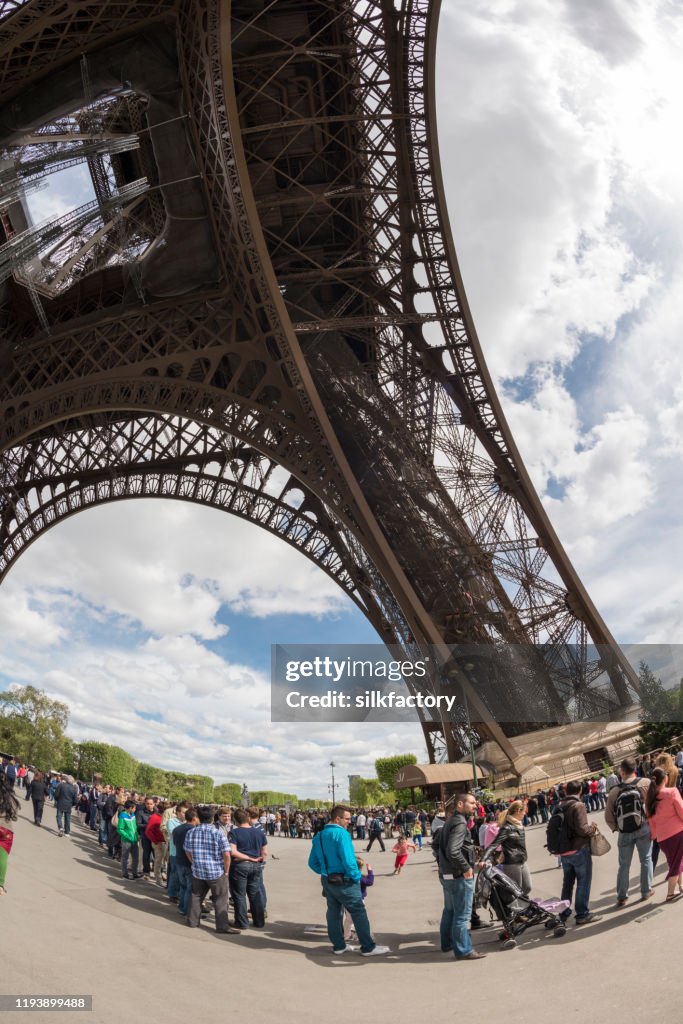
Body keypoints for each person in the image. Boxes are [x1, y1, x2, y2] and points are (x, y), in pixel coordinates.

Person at [308, 804, 389, 956]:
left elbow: (312, 863)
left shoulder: (319, 836)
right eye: (346, 818)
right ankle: (368, 947)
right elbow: (349, 860)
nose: (349, 821)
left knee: (333, 913)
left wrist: (326, 871)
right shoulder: (342, 834)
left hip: (327, 879)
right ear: (337, 819)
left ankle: (339, 945)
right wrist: (357, 877)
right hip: (345, 880)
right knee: (358, 912)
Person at [434, 792, 485, 960]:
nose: (475, 805)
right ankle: (464, 950)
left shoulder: (450, 821)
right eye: (471, 803)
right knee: (462, 915)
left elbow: (438, 846)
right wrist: (466, 868)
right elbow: (453, 850)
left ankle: (447, 943)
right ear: (460, 805)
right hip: (458, 876)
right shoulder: (460, 823)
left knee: (449, 910)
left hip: (447, 874)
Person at [604, 757, 653, 906]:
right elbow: (654, 805)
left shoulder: (615, 791)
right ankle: (646, 891)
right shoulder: (646, 783)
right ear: (635, 769)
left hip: (624, 831)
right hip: (643, 826)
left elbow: (608, 816)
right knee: (646, 859)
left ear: (622, 771)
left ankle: (622, 896)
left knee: (624, 865)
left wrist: (617, 827)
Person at [183, 806, 240, 934]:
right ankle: (222, 926)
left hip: (198, 871)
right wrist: (226, 871)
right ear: (213, 818)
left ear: (199, 817)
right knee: (220, 899)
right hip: (216, 871)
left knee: (196, 897)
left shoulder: (191, 832)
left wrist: (194, 862)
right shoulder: (218, 833)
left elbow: (187, 850)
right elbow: (226, 854)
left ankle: (192, 921)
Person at [557, 780, 601, 926]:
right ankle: (582, 914)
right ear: (580, 790)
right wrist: (592, 828)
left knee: (567, 882)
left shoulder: (559, 806)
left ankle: (564, 912)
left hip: (563, 851)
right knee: (583, 881)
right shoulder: (578, 805)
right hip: (578, 849)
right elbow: (582, 829)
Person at [644, 767, 683, 902]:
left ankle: (681, 885)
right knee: (676, 863)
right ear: (665, 779)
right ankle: (670, 893)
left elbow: (651, 822)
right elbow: (681, 811)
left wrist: (655, 836)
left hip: (662, 838)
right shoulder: (672, 792)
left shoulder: (650, 799)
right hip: (677, 833)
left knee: (675, 861)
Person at [481, 800, 531, 894]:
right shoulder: (507, 828)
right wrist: (483, 859)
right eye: (523, 811)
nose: (525, 814)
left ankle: (523, 906)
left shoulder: (519, 825)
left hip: (522, 861)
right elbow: (494, 844)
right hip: (512, 863)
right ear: (517, 811)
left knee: (527, 887)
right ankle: (518, 908)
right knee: (516, 892)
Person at [229, 808, 267, 929]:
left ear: (235, 820)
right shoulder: (259, 832)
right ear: (248, 818)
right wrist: (258, 860)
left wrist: (248, 857)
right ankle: (259, 921)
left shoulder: (234, 833)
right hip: (256, 865)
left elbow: (233, 852)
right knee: (255, 894)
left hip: (240, 865)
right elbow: (264, 851)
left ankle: (242, 922)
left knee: (239, 895)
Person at [173, 807, 199, 916]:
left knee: (183, 886)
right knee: (190, 888)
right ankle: (186, 909)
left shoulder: (177, 829)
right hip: (189, 862)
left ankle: (182, 907)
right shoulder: (193, 831)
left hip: (179, 860)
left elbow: (174, 843)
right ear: (194, 818)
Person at [0, 771, 19, 894]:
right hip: (5, 829)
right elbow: (14, 815)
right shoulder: (9, 796)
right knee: (2, 858)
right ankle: (0, 885)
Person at [117, 800, 141, 879]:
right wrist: (128, 836)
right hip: (126, 841)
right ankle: (125, 873)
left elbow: (134, 827)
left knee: (136, 858)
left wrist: (136, 835)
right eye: (134, 808)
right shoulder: (122, 816)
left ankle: (135, 873)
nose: (135, 809)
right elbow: (120, 829)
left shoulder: (133, 815)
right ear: (130, 808)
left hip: (134, 840)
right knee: (125, 857)